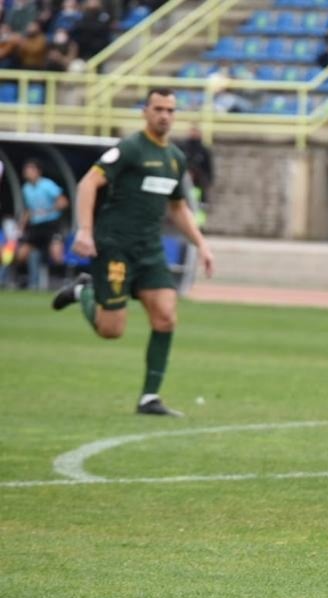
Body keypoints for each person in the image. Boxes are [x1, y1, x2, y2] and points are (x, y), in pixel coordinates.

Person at [50, 88, 216, 416]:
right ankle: (84, 289)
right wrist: (84, 231)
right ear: (145, 112)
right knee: (112, 330)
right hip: (116, 246)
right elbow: (87, 184)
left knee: (167, 316)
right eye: (158, 109)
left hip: (150, 249)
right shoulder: (129, 149)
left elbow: (178, 206)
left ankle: (149, 398)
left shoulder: (175, 158)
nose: (164, 115)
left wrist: (202, 243)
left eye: (170, 109)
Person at [16, 160, 69, 290]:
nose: (27, 172)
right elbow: (29, 209)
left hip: (51, 224)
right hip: (36, 226)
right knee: (21, 254)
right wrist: (22, 226)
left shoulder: (47, 185)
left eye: (30, 169)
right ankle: (22, 280)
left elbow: (63, 202)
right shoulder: (26, 188)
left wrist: (48, 210)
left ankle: (63, 282)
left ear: (38, 171)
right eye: (26, 169)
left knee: (56, 254)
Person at [178, 124, 215, 205]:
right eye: (192, 131)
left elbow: (209, 168)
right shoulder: (182, 147)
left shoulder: (204, 150)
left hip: (199, 185)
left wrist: (208, 181)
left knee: (198, 207)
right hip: (183, 185)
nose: (193, 133)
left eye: (195, 131)